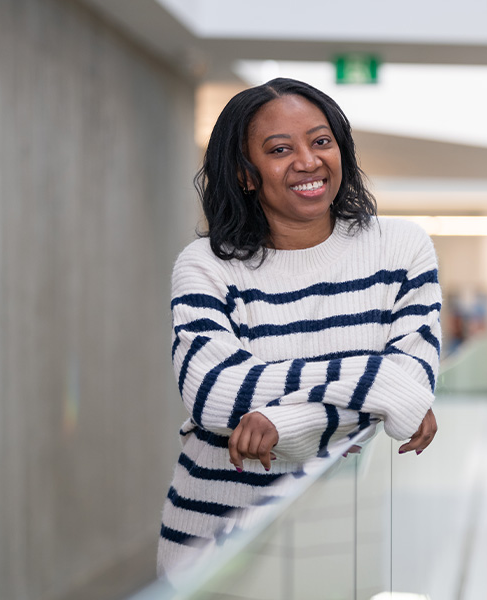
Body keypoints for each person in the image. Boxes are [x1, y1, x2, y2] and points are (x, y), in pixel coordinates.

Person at [157, 78, 442, 576]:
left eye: (321, 141)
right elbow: (215, 395)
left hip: (337, 532)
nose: (308, 161)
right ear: (247, 175)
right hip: (217, 541)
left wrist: (284, 421)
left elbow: (412, 385)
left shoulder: (401, 248)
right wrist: (375, 379)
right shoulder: (206, 265)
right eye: (280, 149)